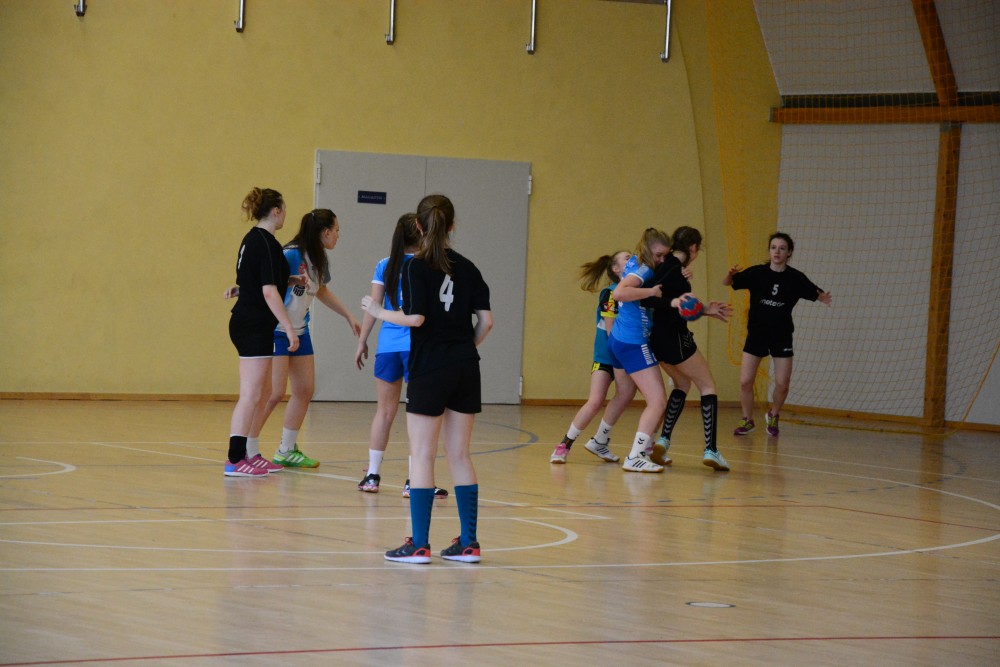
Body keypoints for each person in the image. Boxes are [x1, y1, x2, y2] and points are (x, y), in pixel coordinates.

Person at [361, 194, 492, 564]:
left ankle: (419, 543)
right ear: (452, 226)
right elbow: (487, 322)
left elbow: (416, 319)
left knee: (422, 453)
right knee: (460, 454)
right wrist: (463, 347)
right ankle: (469, 543)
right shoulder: (469, 268)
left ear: (418, 226)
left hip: (430, 366)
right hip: (466, 366)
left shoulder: (415, 268)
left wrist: (378, 311)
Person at [229, 209, 361, 472]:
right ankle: (249, 449)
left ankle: (286, 449)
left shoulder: (319, 259)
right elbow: (266, 283)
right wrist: (241, 291)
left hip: (300, 329)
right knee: (274, 393)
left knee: (304, 389)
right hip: (278, 329)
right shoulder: (289, 254)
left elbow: (321, 290)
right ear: (325, 232)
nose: (338, 235)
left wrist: (348, 314)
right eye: (336, 230)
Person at [355, 214, 448, 498]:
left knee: (384, 412)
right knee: (417, 415)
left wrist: (362, 341)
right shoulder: (427, 264)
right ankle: (414, 481)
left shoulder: (385, 264)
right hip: (417, 346)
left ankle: (372, 475)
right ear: (421, 233)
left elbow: (373, 306)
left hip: (387, 347)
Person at [224, 187, 302, 477]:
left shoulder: (254, 240)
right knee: (251, 393)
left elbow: (256, 280)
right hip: (253, 324)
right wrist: (289, 328)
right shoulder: (265, 243)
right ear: (276, 211)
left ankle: (250, 452)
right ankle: (235, 459)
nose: (285, 215)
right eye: (284, 210)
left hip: (253, 322)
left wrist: (290, 279)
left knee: (264, 390)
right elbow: (268, 291)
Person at [642, 226, 734, 472]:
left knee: (682, 384)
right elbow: (648, 298)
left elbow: (676, 303)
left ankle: (663, 440)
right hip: (674, 337)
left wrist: (704, 309)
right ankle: (711, 449)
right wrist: (676, 301)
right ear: (694, 248)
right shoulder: (672, 267)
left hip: (658, 340)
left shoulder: (672, 267)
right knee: (708, 386)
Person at [724, 232, 832, 436]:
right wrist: (730, 275)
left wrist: (823, 297)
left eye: (782, 248)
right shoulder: (757, 273)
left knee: (782, 384)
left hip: (781, 335)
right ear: (769, 251)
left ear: (789, 252)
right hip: (756, 334)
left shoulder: (795, 278)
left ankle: (773, 414)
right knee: (745, 381)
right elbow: (728, 282)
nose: (777, 251)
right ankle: (747, 419)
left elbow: (814, 292)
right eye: (773, 247)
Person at [550, 250, 633, 464]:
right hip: (608, 355)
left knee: (625, 395)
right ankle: (564, 445)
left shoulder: (636, 292)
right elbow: (611, 330)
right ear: (615, 268)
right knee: (595, 400)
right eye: (627, 257)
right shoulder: (610, 293)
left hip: (624, 355)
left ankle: (600, 441)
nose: (632, 259)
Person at [605, 228, 672, 473]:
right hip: (632, 342)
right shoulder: (643, 270)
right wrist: (651, 292)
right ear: (648, 250)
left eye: (665, 256)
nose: (662, 260)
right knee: (657, 401)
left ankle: (605, 441)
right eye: (659, 255)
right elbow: (619, 292)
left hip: (622, 339)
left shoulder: (637, 262)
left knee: (630, 395)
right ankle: (635, 456)